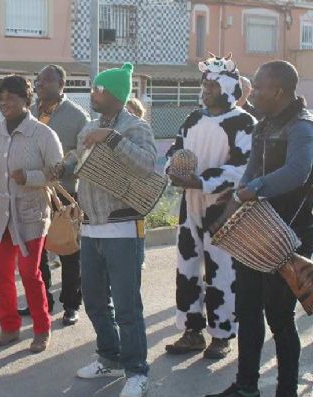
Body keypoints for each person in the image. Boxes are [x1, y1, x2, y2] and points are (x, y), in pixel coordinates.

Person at [207, 61, 313, 397]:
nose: (253, 92)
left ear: (279, 91)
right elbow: (250, 172)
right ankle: (246, 386)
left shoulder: (303, 128)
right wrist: (234, 201)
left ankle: (286, 391)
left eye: (260, 86)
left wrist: (256, 188)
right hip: (255, 232)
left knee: (280, 318)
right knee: (249, 310)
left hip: (290, 236)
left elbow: (299, 172)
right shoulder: (263, 126)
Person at [61, 63, 155, 397]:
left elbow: (146, 165)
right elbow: (82, 162)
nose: (92, 93)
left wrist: (112, 139)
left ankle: (136, 371)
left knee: (128, 306)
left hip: (123, 229)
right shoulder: (88, 126)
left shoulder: (134, 128)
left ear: (114, 94)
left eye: (97, 89)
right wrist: (66, 162)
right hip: (90, 229)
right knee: (96, 302)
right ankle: (109, 358)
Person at [164, 54, 255, 360]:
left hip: (224, 209)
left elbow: (242, 168)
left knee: (222, 271)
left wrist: (200, 181)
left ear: (228, 87)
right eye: (204, 83)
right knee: (186, 269)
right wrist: (172, 170)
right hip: (190, 205)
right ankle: (191, 332)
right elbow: (175, 151)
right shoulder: (193, 119)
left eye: (212, 84)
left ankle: (222, 334)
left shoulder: (244, 122)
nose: (205, 89)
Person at [0, 74, 63, 353]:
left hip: (30, 215)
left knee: (29, 273)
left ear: (26, 100)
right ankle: (9, 327)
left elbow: (57, 172)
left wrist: (29, 177)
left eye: (11, 98)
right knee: (1, 276)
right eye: (1, 99)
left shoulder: (43, 134)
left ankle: (41, 329)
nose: (4, 104)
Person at [18, 64, 89, 326]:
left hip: (64, 194)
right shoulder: (30, 113)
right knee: (37, 252)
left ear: (61, 85)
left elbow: (82, 153)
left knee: (68, 251)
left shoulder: (77, 116)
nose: (40, 84)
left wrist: (63, 166)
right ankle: (41, 300)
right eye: (38, 79)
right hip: (34, 193)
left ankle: (71, 304)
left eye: (46, 80)